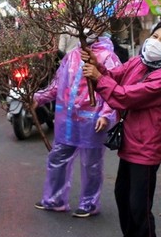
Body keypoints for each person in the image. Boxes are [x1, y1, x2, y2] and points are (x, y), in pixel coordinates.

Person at [82, 21, 161, 237]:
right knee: (122, 195)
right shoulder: (139, 62)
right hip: (130, 142)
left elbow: (126, 96)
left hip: (146, 148)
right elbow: (115, 77)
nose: (156, 42)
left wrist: (98, 78)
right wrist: (97, 65)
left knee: (139, 204)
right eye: (155, 36)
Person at [33, 31, 121, 217]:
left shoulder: (107, 58)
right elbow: (58, 84)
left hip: (92, 121)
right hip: (68, 120)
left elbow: (114, 88)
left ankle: (89, 204)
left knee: (91, 164)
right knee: (57, 158)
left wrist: (106, 114)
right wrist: (38, 98)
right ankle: (54, 199)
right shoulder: (72, 55)